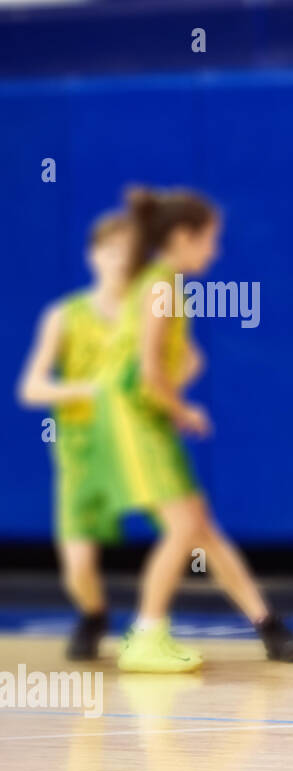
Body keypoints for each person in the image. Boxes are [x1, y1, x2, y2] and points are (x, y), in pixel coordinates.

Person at [98, 186, 293, 672]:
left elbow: (157, 362)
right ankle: (146, 635)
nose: (215, 251)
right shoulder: (160, 285)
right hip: (134, 421)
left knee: (200, 528)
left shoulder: (163, 284)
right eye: (210, 240)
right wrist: (182, 409)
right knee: (184, 527)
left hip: (139, 417)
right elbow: (148, 368)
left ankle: (269, 627)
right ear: (182, 237)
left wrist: (183, 370)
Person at [17, 212, 132, 659]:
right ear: (93, 256)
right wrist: (86, 390)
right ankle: (95, 613)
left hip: (139, 447)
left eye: (128, 251)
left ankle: (263, 621)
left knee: (195, 535)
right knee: (78, 567)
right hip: (83, 451)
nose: (119, 260)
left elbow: (188, 363)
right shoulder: (64, 316)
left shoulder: (149, 313)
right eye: (110, 250)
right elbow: (30, 388)